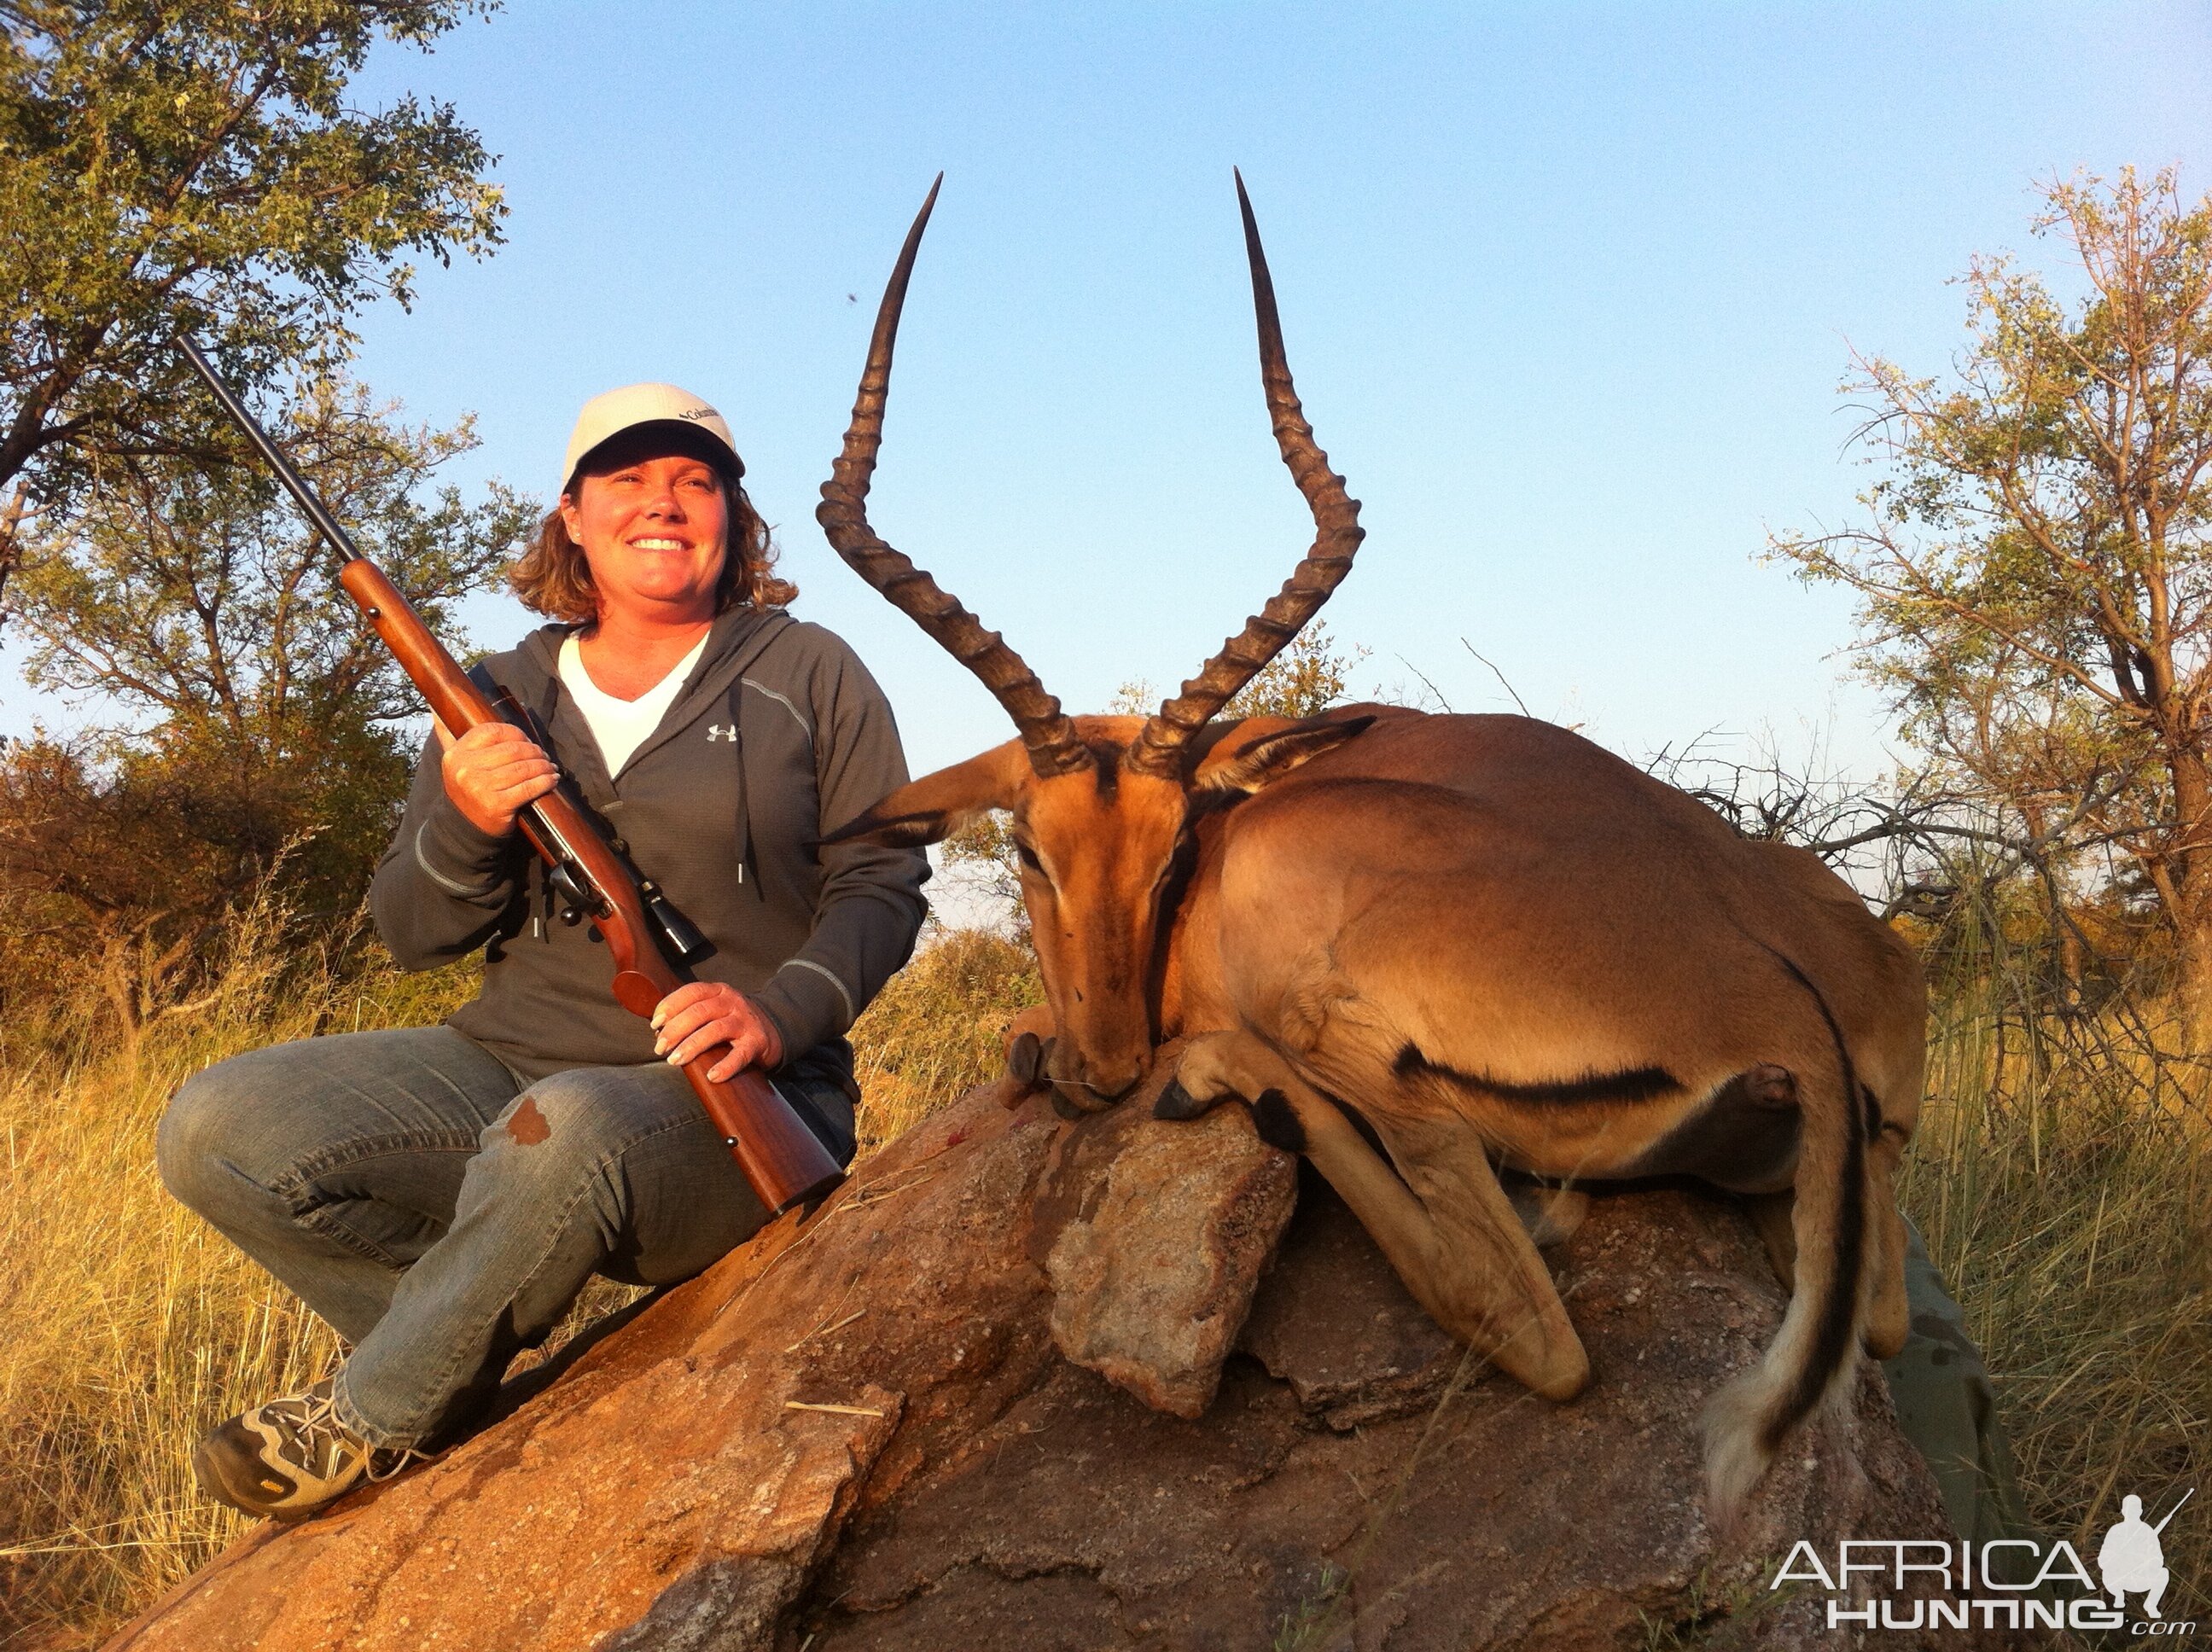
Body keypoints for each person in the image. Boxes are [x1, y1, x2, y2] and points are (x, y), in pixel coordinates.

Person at [157, 383, 928, 1521]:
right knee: (215, 1127)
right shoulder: (496, 691)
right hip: (501, 1062)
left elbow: (884, 880)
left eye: (695, 480)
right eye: (628, 479)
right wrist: (466, 820)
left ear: (733, 516)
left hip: (733, 1094)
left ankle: (370, 1418)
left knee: (571, 1123)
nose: (663, 502)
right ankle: (436, 1363)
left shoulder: (810, 669)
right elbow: (413, 933)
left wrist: (779, 1013)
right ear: (571, 515)